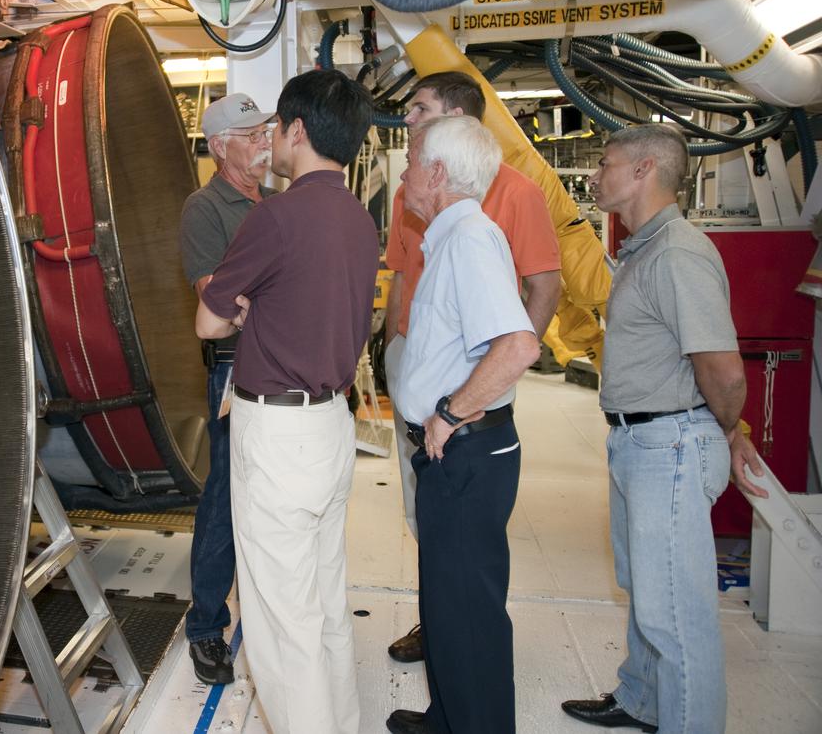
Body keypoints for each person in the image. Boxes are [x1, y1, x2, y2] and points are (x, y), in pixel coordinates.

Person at [561, 123, 767, 734]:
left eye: (606, 162)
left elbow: (724, 372)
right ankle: (643, 700)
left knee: (676, 614)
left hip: (669, 445)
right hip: (640, 440)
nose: (596, 174)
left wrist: (728, 432)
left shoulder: (677, 252)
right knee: (646, 591)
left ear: (646, 169)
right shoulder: (644, 249)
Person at [196, 69, 377, 734]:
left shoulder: (275, 216)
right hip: (332, 427)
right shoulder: (360, 220)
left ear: (295, 131)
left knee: (279, 620)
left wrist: (243, 309)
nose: (269, 136)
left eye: (273, 124)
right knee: (325, 602)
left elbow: (207, 323)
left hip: (277, 436)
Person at [383, 71, 561, 664]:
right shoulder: (423, 204)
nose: (409, 122)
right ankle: (441, 628)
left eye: (420, 110)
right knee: (432, 526)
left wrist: (477, 393)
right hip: (421, 369)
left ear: (456, 122)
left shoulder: (493, 211)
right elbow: (404, 278)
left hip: (465, 398)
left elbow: (531, 309)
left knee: (464, 552)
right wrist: (393, 355)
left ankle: (455, 631)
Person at [177, 92, 276, 685]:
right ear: (219, 148)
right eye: (250, 134)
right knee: (224, 498)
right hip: (234, 370)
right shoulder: (205, 209)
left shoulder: (280, 205)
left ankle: (266, 612)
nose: (264, 140)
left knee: (272, 496)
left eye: (265, 130)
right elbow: (219, 300)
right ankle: (206, 627)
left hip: (282, 368)